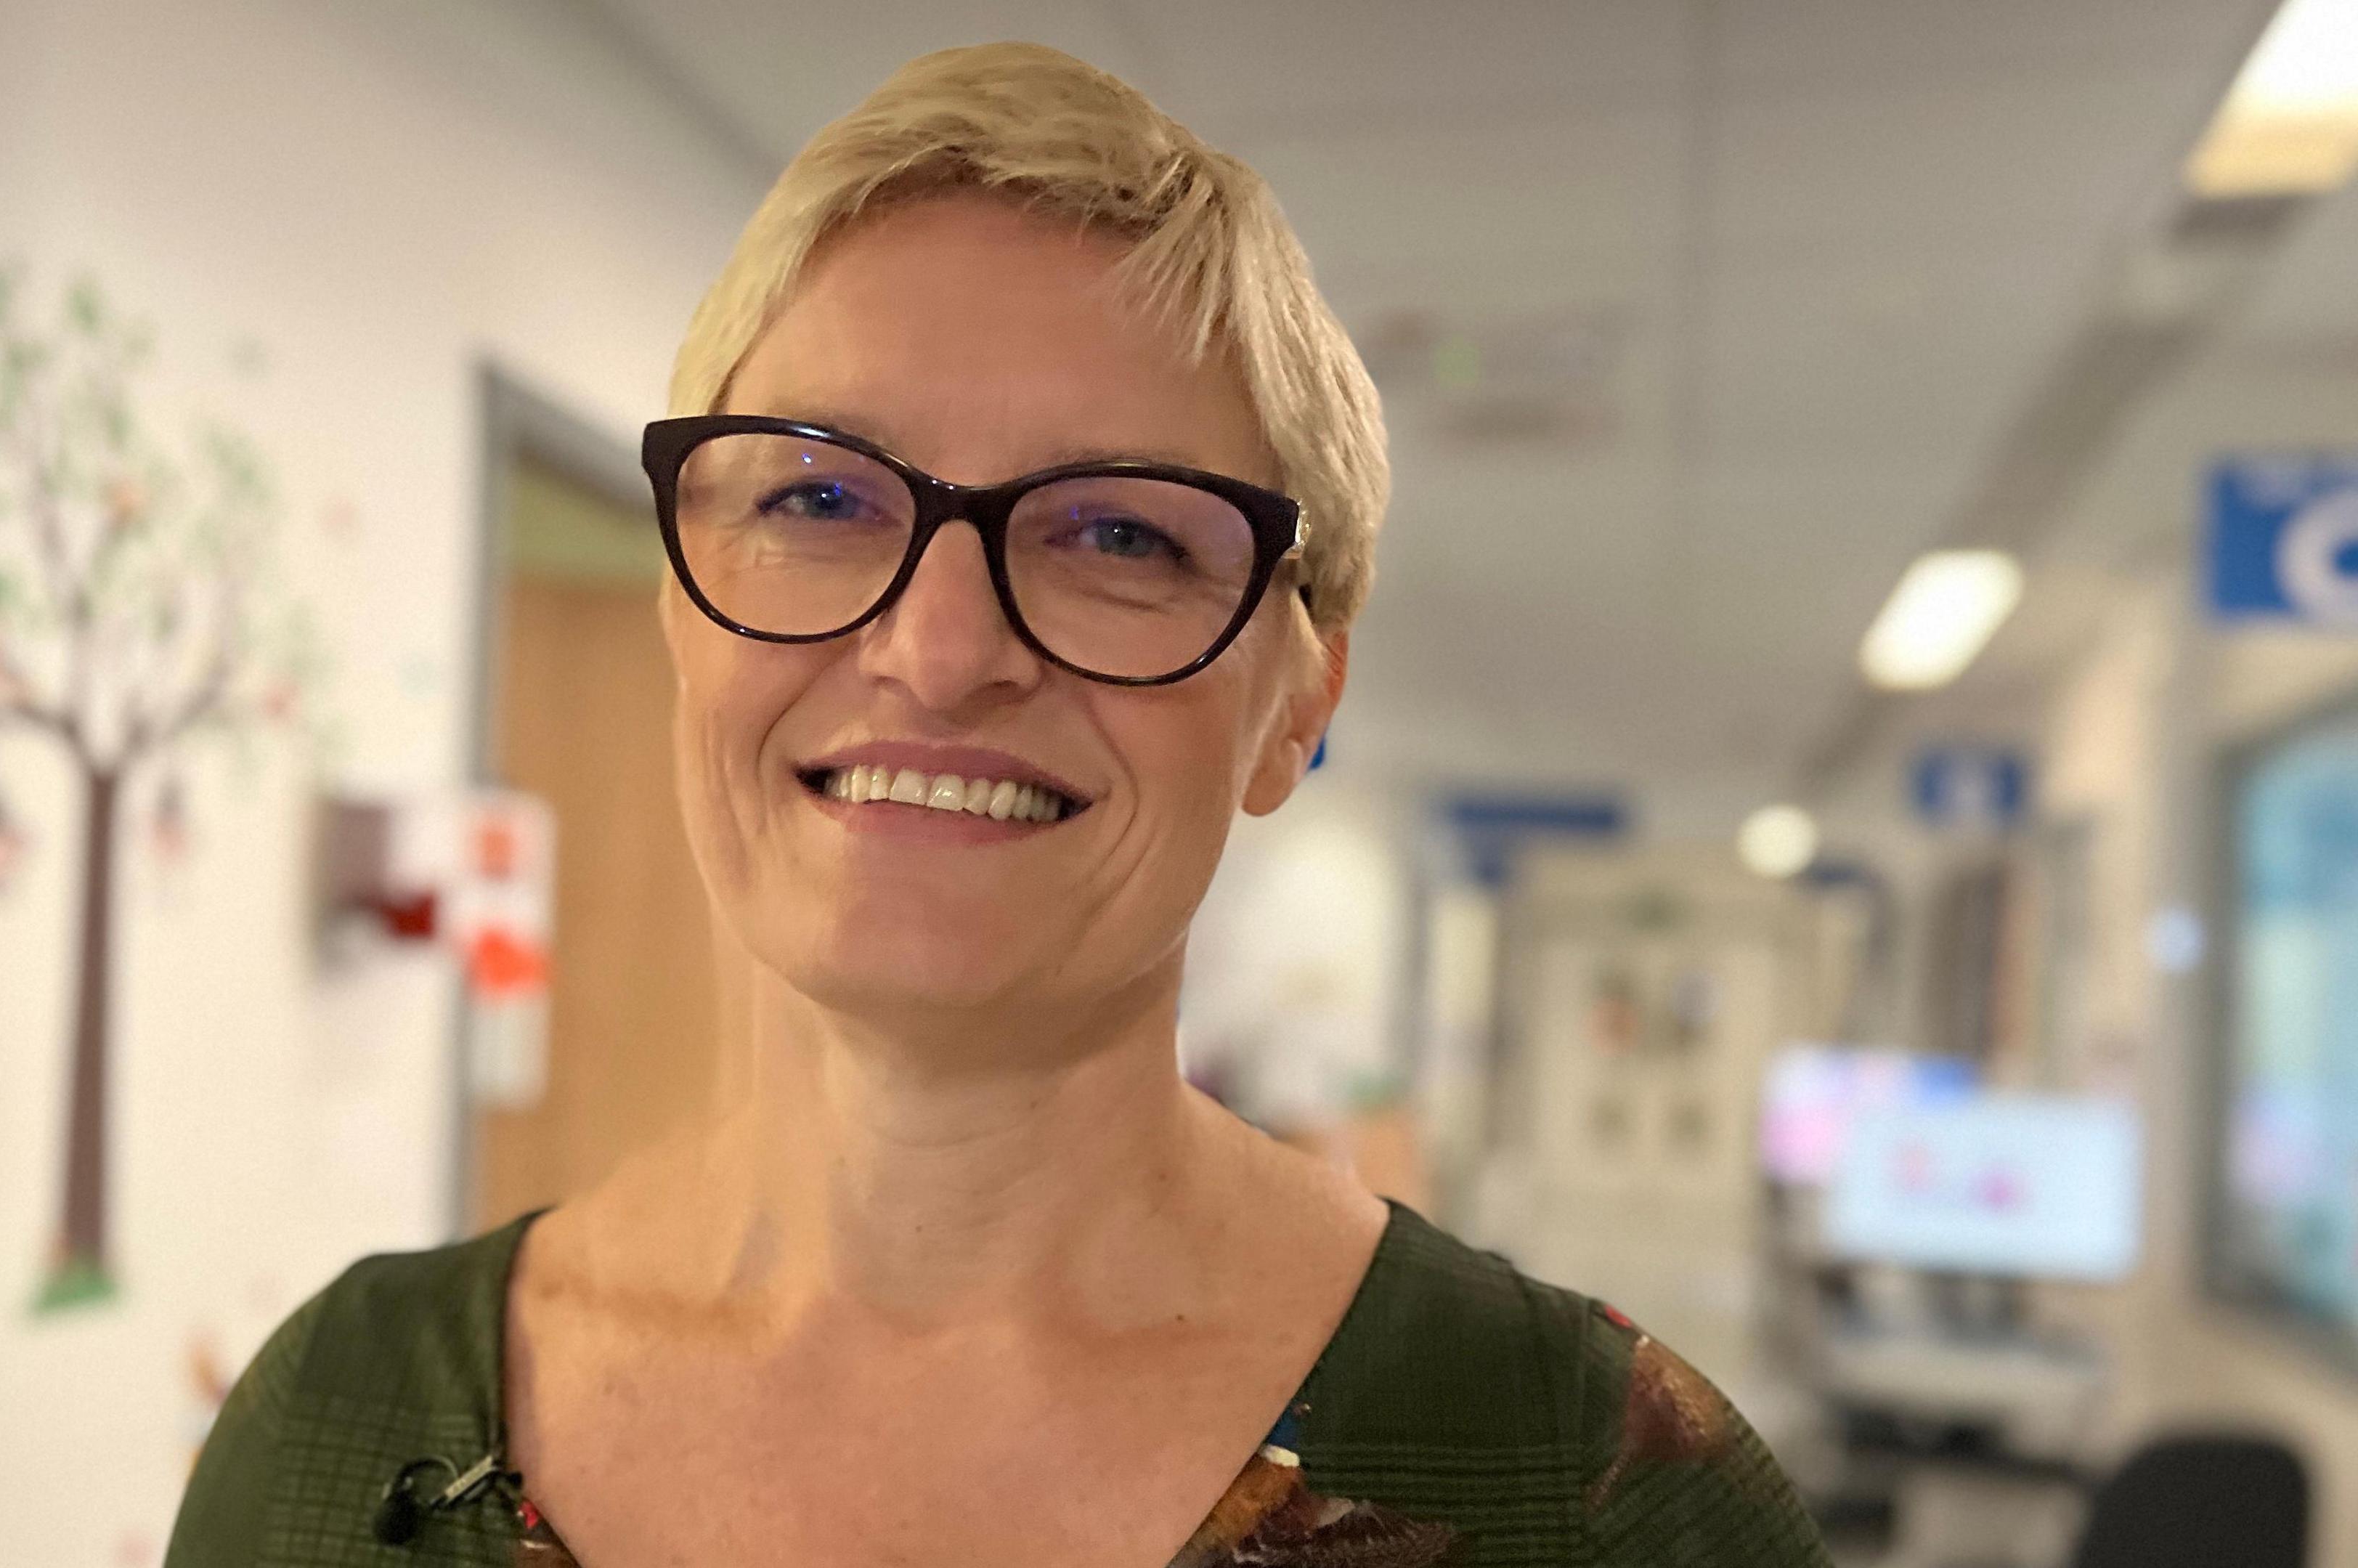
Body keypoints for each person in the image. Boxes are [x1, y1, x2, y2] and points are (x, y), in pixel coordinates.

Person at [168, 42, 1829, 1568]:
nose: (939, 650)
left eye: (1120, 535)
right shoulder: (341, 1436)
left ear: (1296, 704)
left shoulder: (1604, 1498)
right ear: (686, 618)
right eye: (819, 494)